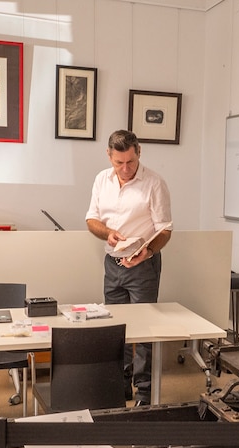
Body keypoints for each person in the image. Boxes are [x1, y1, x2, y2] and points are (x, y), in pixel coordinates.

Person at [86, 130, 172, 405]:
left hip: (143, 266)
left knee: (144, 330)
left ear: (139, 152)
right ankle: (119, 387)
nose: (125, 169)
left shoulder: (155, 183)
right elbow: (92, 220)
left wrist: (147, 251)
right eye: (119, 163)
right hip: (112, 264)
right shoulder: (102, 179)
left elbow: (165, 230)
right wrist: (107, 232)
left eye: (130, 162)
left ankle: (145, 394)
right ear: (109, 156)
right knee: (116, 328)